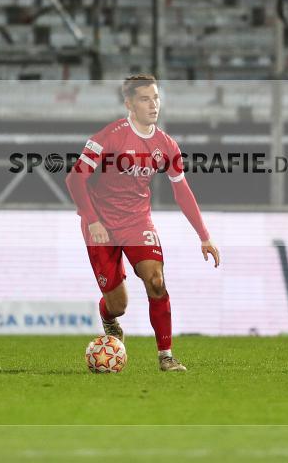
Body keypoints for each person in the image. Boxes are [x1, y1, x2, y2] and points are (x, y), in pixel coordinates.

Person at [65, 74, 220, 372]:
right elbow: (75, 179)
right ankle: (109, 318)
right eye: (145, 99)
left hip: (137, 221)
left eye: (156, 98)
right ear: (129, 104)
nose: (153, 104)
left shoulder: (166, 145)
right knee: (118, 305)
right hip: (101, 225)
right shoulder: (108, 137)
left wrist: (204, 235)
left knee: (156, 281)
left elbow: (182, 191)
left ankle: (166, 356)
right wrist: (93, 220)